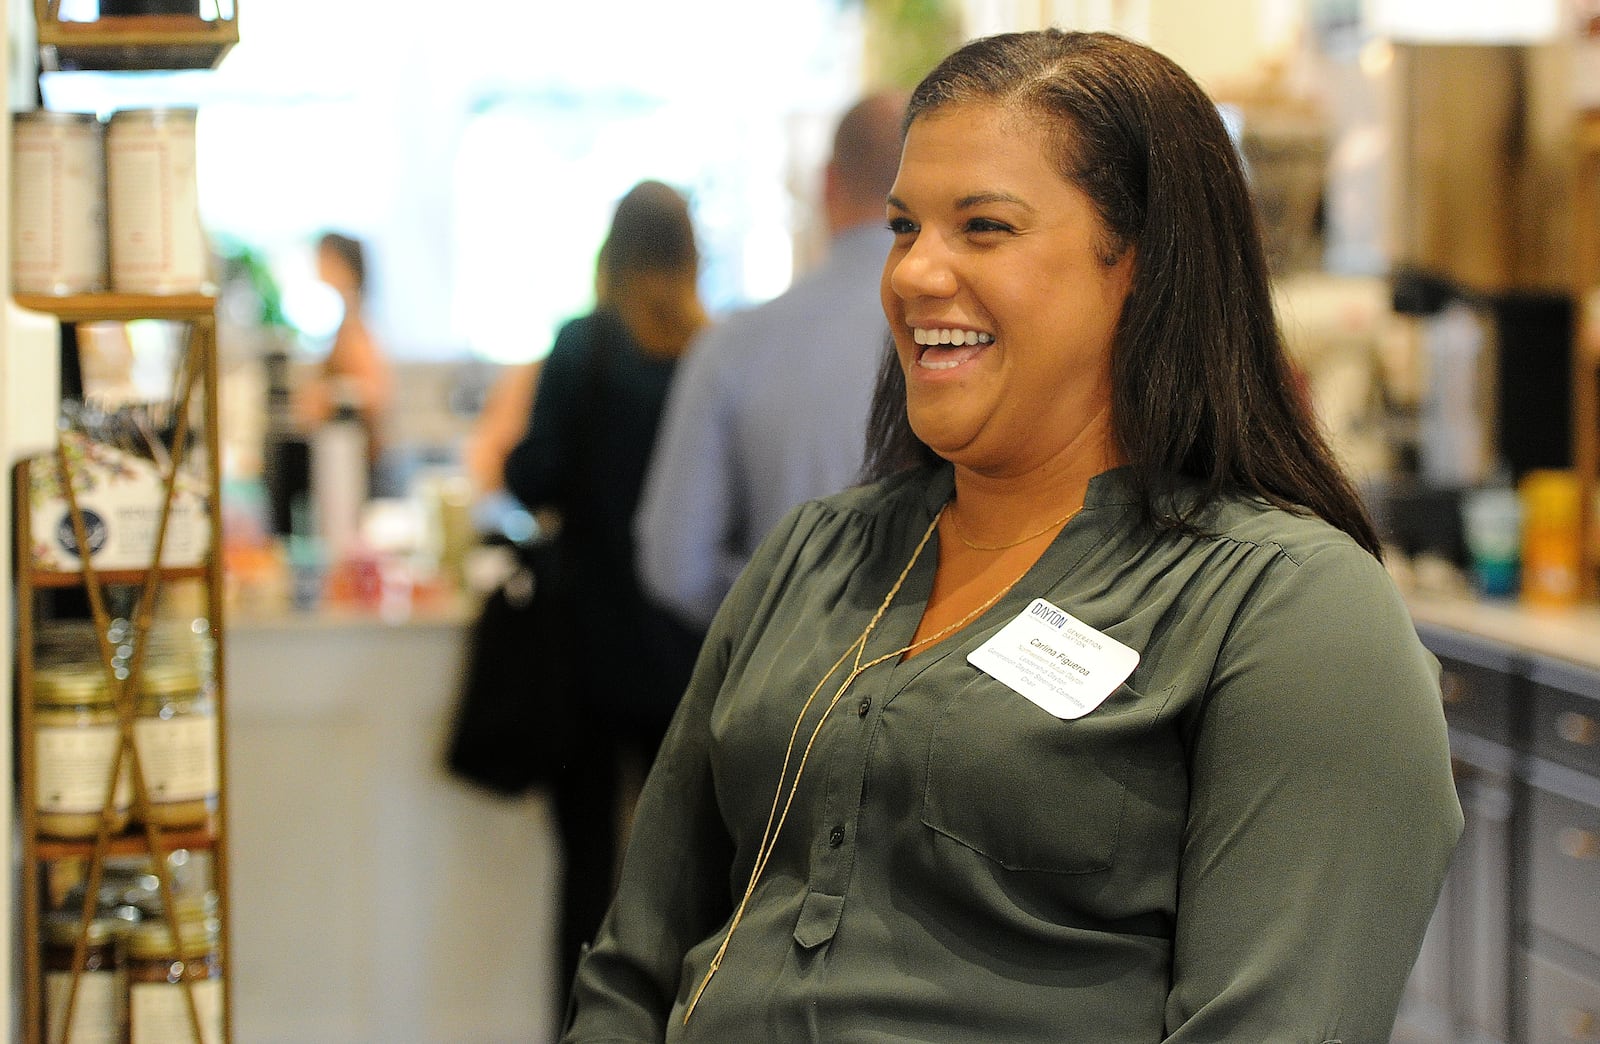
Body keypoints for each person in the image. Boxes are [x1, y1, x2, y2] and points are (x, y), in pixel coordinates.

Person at [561, 30, 1462, 1043]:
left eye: (983, 227)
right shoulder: (812, 557)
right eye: (905, 226)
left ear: (1143, 264)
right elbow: (632, 969)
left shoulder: (1289, 612)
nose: (913, 274)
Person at [502, 179, 709, 1002]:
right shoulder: (709, 354)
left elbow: (533, 474)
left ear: (611, 253)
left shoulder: (583, 347)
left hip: (586, 644)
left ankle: (581, 1023)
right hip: (686, 647)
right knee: (688, 873)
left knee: (586, 870)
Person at [635, 91, 907, 632]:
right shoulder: (982, 340)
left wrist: (793, 612)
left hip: (783, 690)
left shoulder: (736, 346)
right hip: (957, 690)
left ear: (826, 183)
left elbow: (675, 566)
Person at [292, 231, 394, 489]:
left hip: (357, 464)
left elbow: (376, 395)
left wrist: (327, 395)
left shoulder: (356, 331)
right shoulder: (345, 326)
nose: (318, 266)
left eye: (324, 259)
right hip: (343, 459)